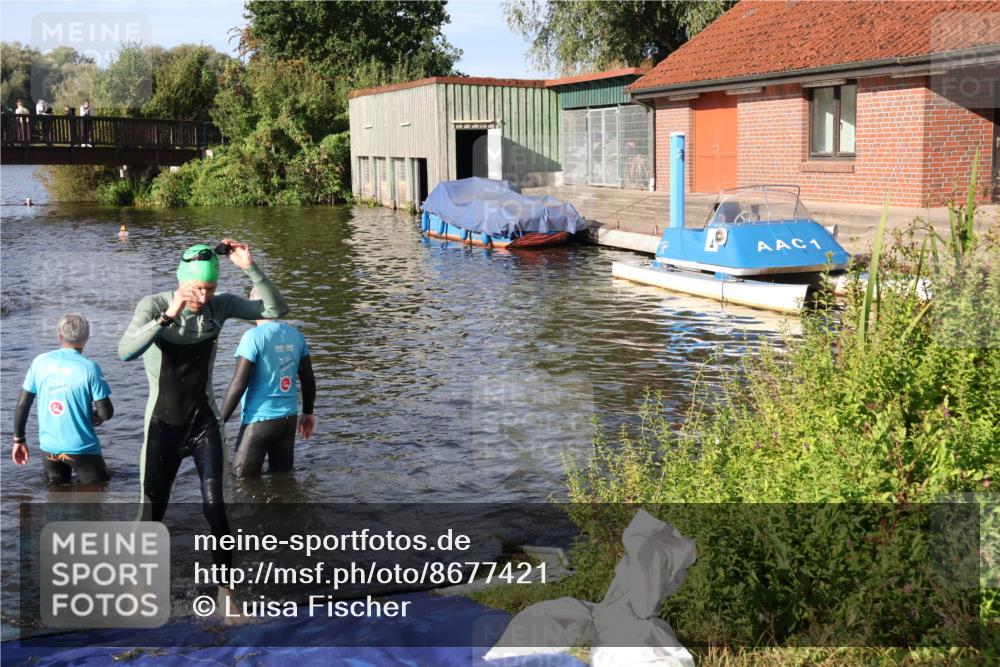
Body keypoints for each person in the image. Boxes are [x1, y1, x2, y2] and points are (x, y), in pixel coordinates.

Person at [118, 239, 287, 617]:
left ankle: (228, 600)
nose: (203, 295)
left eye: (209, 288)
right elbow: (125, 351)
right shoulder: (155, 305)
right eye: (197, 288)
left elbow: (278, 308)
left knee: (217, 509)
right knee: (151, 512)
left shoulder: (220, 306)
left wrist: (250, 268)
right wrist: (168, 317)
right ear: (182, 281)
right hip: (162, 425)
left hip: (203, 423)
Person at [221, 288, 316, 478]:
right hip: (288, 421)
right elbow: (308, 380)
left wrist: (219, 421)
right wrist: (307, 413)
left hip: (260, 420)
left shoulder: (253, 337)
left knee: (241, 481)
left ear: (255, 306)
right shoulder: (296, 335)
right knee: (283, 480)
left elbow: (239, 384)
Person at [12, 314, 114, 486]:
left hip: (49, 449)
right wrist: (96, 416)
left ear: (59, 335)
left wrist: (19, 440)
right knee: (97, 498)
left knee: (56, 499)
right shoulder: (90, 368)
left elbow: (23, 404)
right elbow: (106, 412)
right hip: (82, 449)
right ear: (86, 339)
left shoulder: (39, 362)